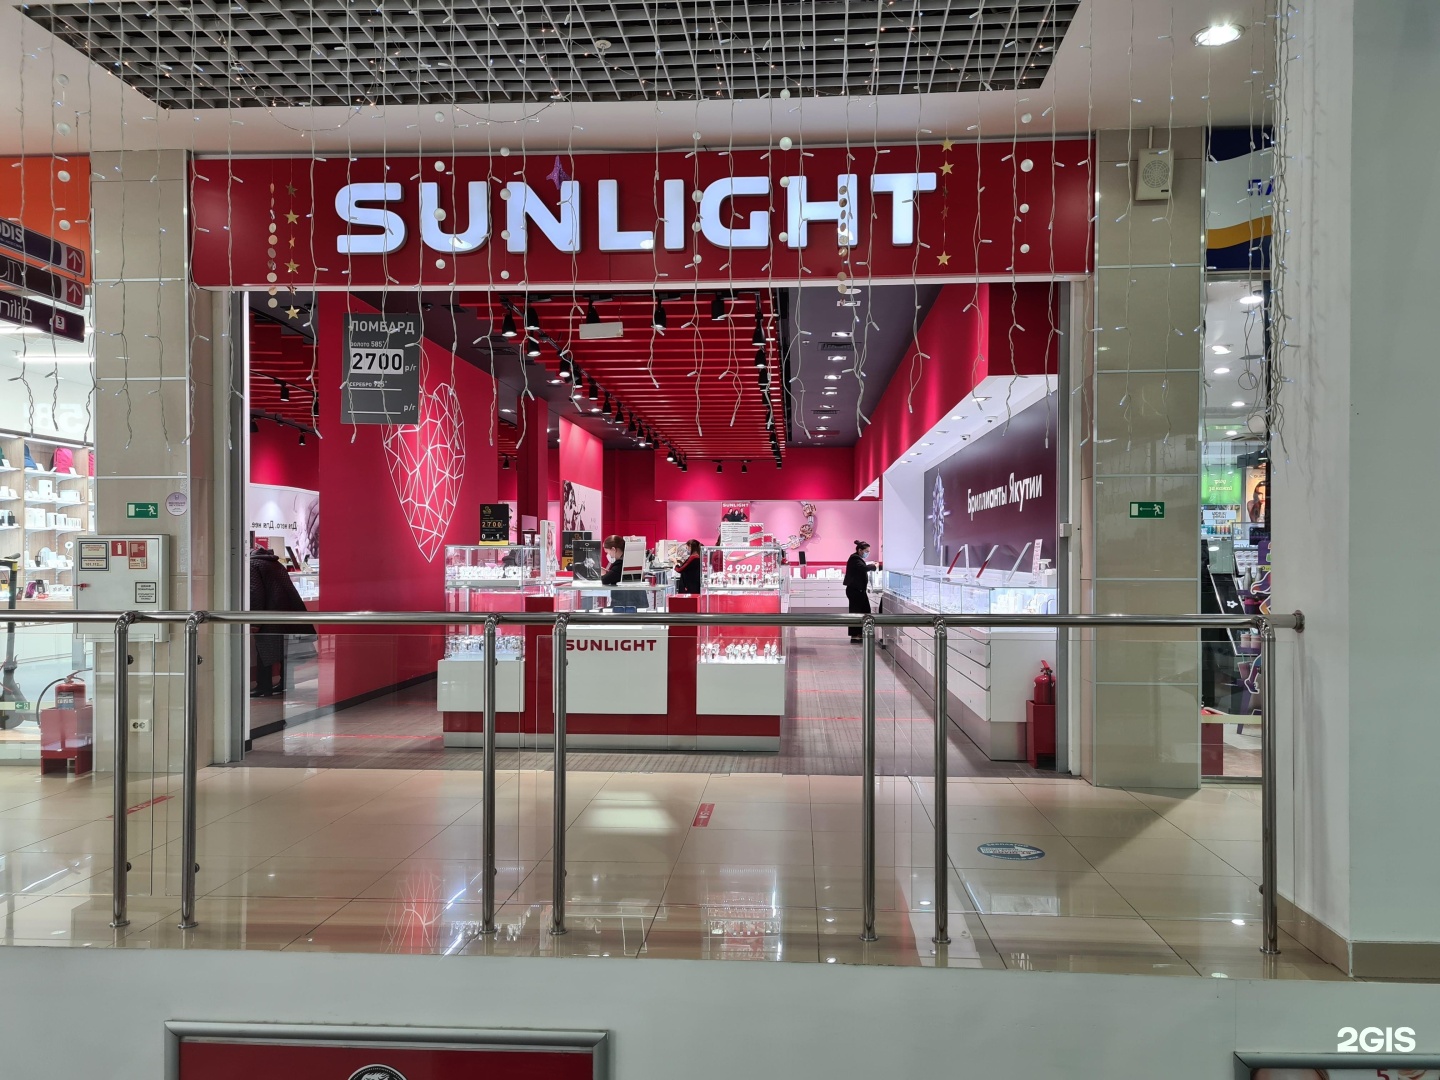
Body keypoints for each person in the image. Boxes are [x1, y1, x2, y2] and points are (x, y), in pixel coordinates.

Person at [249, 544, 314, 697]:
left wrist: (255, 622)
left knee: (264, 649)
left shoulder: (252, 565)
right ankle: (286, 683)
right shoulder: (274, 562)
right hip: (289, 611)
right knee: (286, 648)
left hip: (270, 613)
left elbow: (255, 593)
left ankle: (263, 686)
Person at [844, 540, 878, 643]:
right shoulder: (854, 558)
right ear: (860, 550)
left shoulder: (857, 559)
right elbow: (864, 568)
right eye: (866, 551)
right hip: (855, 591)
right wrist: (874, 566)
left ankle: (861, 633)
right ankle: (855, 635)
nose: (868, 553)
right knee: (856, 613)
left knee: (864, 611)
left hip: (860, 591)